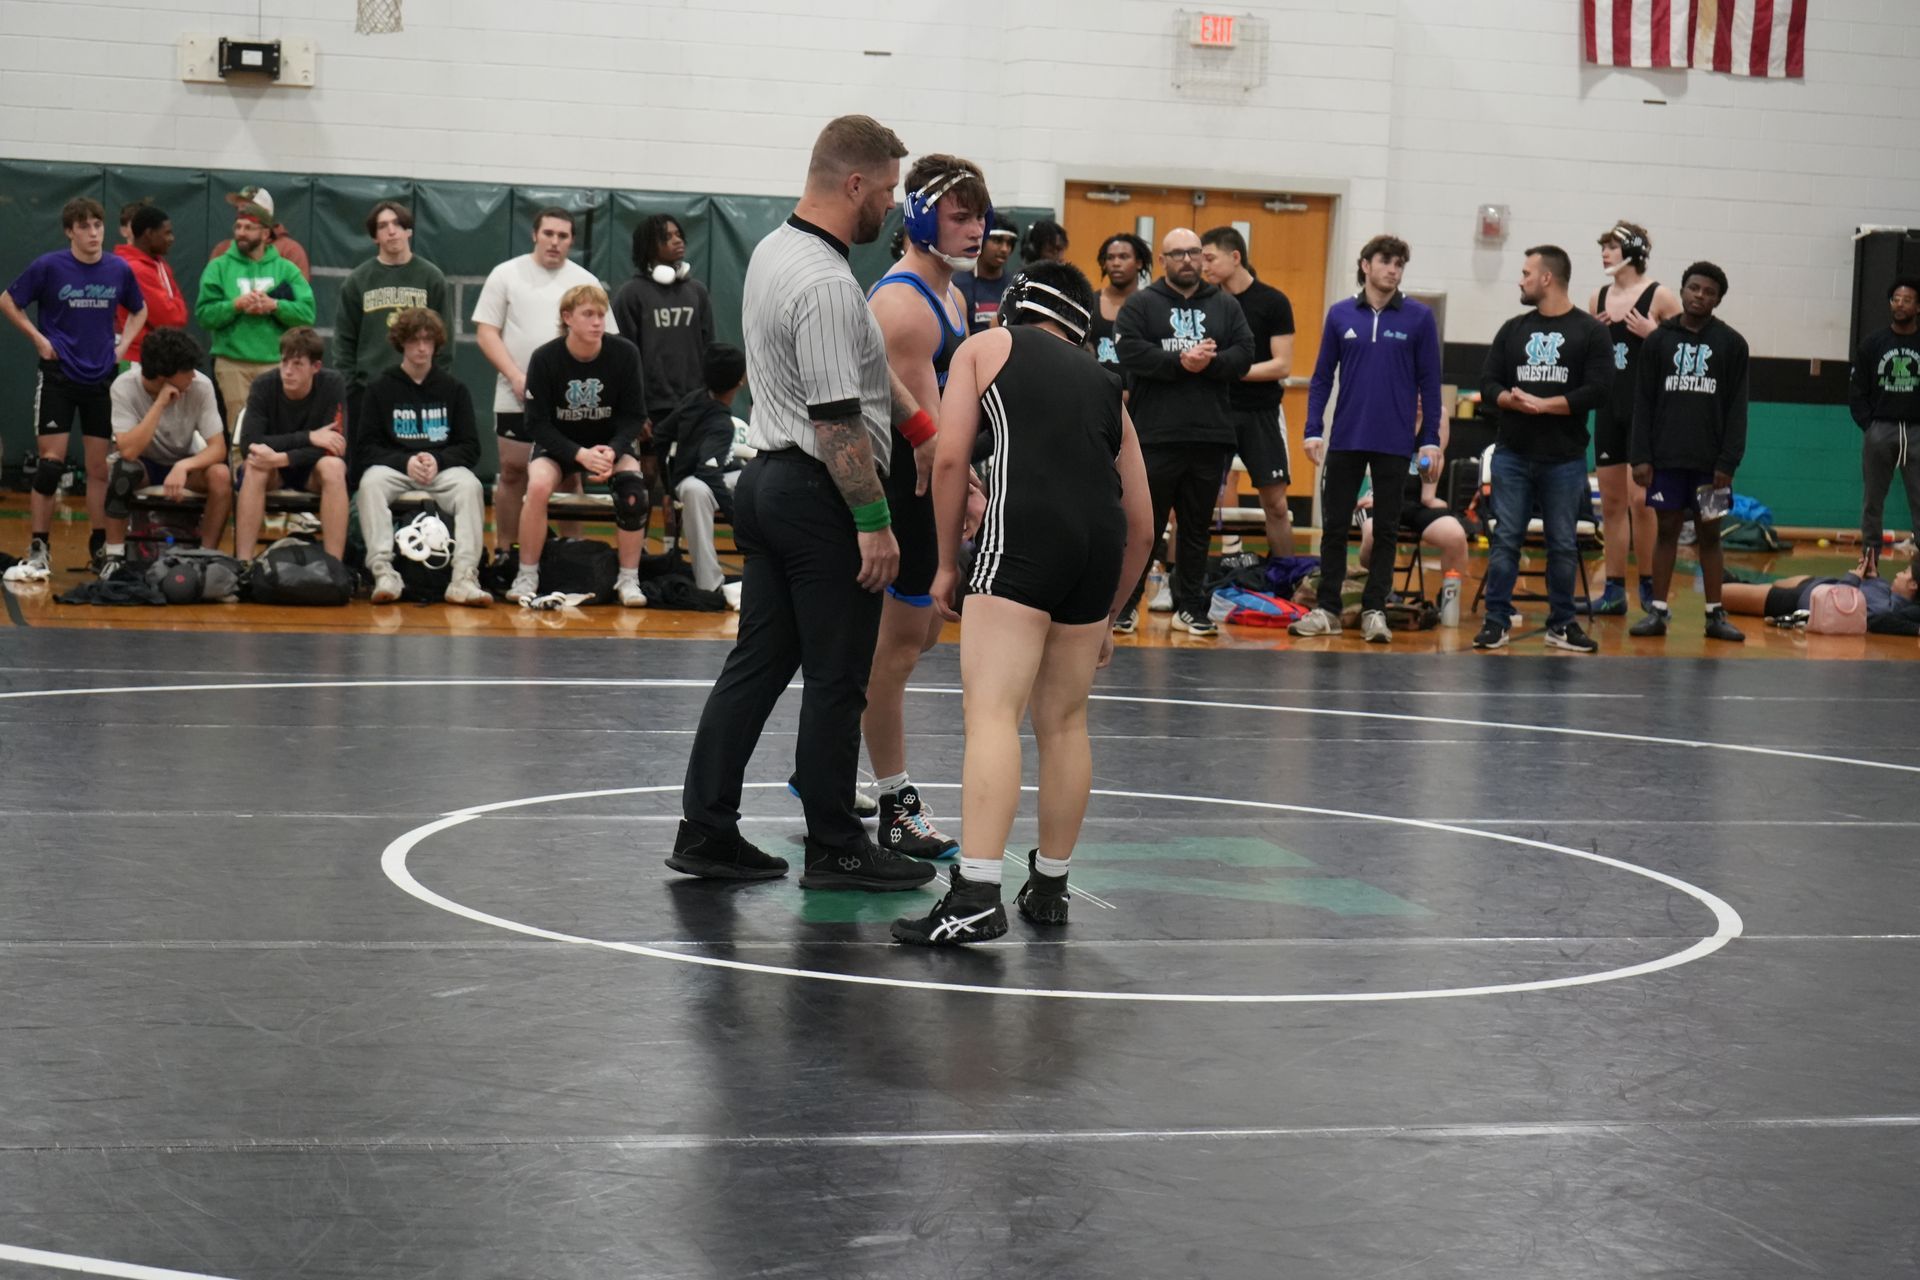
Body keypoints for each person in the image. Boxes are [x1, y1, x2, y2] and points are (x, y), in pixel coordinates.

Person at [669, 113, 936, 896]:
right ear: (853, 184)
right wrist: (874, 522)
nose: (889, 207)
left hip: (771, 485)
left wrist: (919, 428)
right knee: (838, 677)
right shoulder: (825, 283)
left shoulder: (775, 251)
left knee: (756, 667)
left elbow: (860, 370)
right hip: (819, 495)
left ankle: (706, 829)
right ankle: (837, 846)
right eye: (885, 191)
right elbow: (837, 418)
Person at [893, 263, 1153, 945]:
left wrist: (945, 563)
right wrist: (1110, 614)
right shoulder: (1108, 384)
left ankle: (977, 893)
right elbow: (1143, 523)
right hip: (1097, 550)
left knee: (992, 714)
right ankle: (1051, 884)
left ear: (1013, 306)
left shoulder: (987, 347)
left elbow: (952, 460)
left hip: (1024, 534)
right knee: (1064, 722)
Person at [861, 154, 992, 860]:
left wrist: (969, 480)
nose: (976, 231)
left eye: (979, 217)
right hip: (902, 489)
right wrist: (966, 492)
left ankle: (828, 766)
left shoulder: (950, 296)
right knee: (898, 650)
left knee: (913, 640)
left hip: (922, 484)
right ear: (917, 219)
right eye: (960, 217)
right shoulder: (907, 307)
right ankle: (894, 803)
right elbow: (929, 438)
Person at [1290, 234, 1442, 644]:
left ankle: (1376, 609)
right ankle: (1328, 609)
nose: (1393, 269)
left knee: (1387, 529)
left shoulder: (1419, 318)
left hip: (1395, 442)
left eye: (1399, 264)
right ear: (1365, 265)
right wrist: (1313, 428)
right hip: (1346, 437)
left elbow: (1431, 383)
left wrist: (1430, 440)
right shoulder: (1340, 314)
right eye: (1385, 261)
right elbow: (1322, 377)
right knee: (1335, 527)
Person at [1111, 228, 1254, 638]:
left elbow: (1245, 354)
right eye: (1178, 253)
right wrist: (1180, 362)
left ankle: (1191, 607)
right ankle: (1124, 606)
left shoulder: (1225, 305)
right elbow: (1129, 350)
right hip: (1155, 434)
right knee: (1144, 527)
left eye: (1194, 252)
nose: (1188, 260)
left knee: (1196, 529)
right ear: (1162, 260)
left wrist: (1208, 363)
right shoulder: (1142, 304)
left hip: (1210, 435)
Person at [1475, 245, 1614, 653]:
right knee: (1506, 539)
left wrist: (1545, 404)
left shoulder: (1590, 331)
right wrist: (1511, 401)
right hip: (1513, 454)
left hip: (1564, 458)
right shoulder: (1513, 329)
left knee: (1563, 544)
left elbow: (1599, 390)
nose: (1520, 280)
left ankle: (1562, 624)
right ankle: (1496, 621)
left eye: (1526, 273)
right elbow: (1488, 383)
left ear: (1547, 278)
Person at [0, 196, 147, 579]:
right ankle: (39, 547)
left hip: (100, 378)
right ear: (70, 231)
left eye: (98, 225)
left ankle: (99, 546)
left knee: (99, 469)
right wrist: (38, 339)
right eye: (84, 227)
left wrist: (121, 348)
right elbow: (8, 301)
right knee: (50, 466)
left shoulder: (118, 269)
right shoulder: (49, 266)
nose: (93, 233)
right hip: (59, 376)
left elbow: (140, 309)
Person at [474, 207, 616, 567]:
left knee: (569, 475)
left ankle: (572, 553)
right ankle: (505, 552)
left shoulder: (585, 281)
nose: (555, 241)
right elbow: (487, 332)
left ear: (571, 240)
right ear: (535, 234)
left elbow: (608, 338)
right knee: (512, 471)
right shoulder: (506, 274)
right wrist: (516, 377)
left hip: (573, 400)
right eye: (548, 233)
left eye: (563, 235)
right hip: (515, 392)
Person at [1628, 261, 1749, 643]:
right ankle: (1657, 611)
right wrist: (1641, 456)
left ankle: (1714, 615)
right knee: (1666, 530)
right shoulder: (1658, 341)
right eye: (1694, 288)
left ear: (1718, 300)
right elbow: (1643, 402)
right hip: (1666, 459)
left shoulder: (1731, 344)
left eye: (1709, 292)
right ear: (1682, 290)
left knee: (1709, 533)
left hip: (1711, 466)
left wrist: (1728, 462)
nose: (1700, 296)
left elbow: (1737, 409)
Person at [509, 284, 651, 608]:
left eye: (601, 314)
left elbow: (634, 416)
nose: (597, 322)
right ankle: (527, 574)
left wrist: (613, 450)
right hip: (561, 446)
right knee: (538, 487)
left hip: (608, 447)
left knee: (634, 491)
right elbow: (536, 424)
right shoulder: (545, 358)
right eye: (588, 314)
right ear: (567, 317)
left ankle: (629, 579)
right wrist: (579, 455)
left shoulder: (625, 353)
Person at [351, 308, 491, 608]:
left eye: (428, 340)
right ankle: (384, 573)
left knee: (470, 486)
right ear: (401, 343)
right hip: (397, 469)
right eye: (414, 340)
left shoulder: (454, 389)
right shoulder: (380, 388)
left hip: (440, 470)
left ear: (436, 344)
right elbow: (365, 448)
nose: (422, 348)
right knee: (370, 484)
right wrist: (404, 463)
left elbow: (470, 447)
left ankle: (463, 577)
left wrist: (438, 460)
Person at [1587, 221, 1680, 615]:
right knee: (1612, 502)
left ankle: (1649, 584)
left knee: (1642, 501)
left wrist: (1654, 333)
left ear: (1633, 251)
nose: (1604, 253)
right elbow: (1591, 357)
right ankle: (1613, 589)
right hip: (1610, 408)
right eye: (1603, 246)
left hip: (1648, 411)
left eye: (1611, 246)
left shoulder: (1661, 296)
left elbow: (1685, 353)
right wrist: (1591, 335)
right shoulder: (1598, 298)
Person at [1201, 225, 1296, 556]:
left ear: (1235, 257)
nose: (1204, 266)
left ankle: (1285, 575)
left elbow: (1281, 365)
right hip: (1216, 411)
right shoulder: (1205, 303)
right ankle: (1184, 580)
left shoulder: (1273, 302)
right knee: (1196, 501)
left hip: (1261, 413)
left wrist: (1231, 369)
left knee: (1276, 505)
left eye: (1210, 258)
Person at [103, 327, 231, 568]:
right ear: (164, 376)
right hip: (145, 465)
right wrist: (159, 404)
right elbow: (128, 451)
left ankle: (206, 556)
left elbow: (218, 449)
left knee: (221, 475)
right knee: (123, 471)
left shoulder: (201, 386)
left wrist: (183, 466)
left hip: (186, 465)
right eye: (187, 370)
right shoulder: (124, 387)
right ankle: (114, 557)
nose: (193, 375)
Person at [196, 189, 316, 431]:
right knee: (240, 431)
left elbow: (306, 314)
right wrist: (235, 305)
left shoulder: (287, 268)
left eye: (249, 228)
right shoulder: (219, 266)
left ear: (265, 233)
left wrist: (275, 306)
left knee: (277, 429)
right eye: (238, 226)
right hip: (232, 363)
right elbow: (204, 315)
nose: (241, 232)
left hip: (276, 362)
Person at [330, 200, 452, 427]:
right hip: (368, 390)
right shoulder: (357, 281)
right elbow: (344, 341)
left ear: (409, 231)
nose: (391, 231)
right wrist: (351, 388)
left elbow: (445, 340)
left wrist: (434, 383)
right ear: (374, 237)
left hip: (420, 388)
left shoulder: (432, 278)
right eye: (383, 226)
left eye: (397, 224)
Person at [234, 327, 349, 561]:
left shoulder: (332, 384)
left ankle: (334, 566)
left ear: (316, 367)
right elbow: (250, 443)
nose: (288, 371)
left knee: (334, 467)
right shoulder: (264, 385)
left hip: (309, 470)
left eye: (297, 364)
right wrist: (308, 437)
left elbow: (334, 447)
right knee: (254, 465)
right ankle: (243, 564)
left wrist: (281, 458)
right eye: (284, 362)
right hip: (272, 471)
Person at [656, 343, 748, 597]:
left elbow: (660, 434)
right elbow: (707, 473)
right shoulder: (719, 423)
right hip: (692, 480)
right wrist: (737, 521)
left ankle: (768, 570)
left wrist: (667, 485)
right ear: (740, 382)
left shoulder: (695, 398)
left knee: (756, 479)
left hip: (720, 475)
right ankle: (709, 584)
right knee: (695, 491)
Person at [1850, 278, 1920, 568]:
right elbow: (1857, 389)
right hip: (1881, 429)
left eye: (1907, 300)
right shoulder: (1873, 343)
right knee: (1873, 501)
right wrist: (1870, 426)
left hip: (1916, 431)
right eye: (1896, 299)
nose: (1900, 304)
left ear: (1918, 307)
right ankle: (1870, 563)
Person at [1724, 556, 1920, 632]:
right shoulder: (1887, 591)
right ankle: (1734, 582)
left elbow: (1840, 608)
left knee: (1721, 594)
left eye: (1904, 573)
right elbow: (1873, 592)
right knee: (1748, 586)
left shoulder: (1886, 610)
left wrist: (1852, 579)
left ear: (1913, 585)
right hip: (1814, 583)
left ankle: (1725, 583)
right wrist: (1872, 576)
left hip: (1799, 600)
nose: (1898, 574)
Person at [114, 205, 187, 367]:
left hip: (155, 357)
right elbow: (169, 319)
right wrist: (176, 307)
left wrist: (175, 308)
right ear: (149, 234)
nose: (171, 238)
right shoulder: (136, 269)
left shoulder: (160, 265)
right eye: (167, 233)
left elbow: (179, 316)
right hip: (136, 358)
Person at [207, 187, 311, 280]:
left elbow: (298, 291)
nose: (241, 212)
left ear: (266, 213)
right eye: (238, 208)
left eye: (248, 208)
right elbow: (211, 291)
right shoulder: (223, 250)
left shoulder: (290, 250)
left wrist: (266, 296)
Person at [1090, 232, 1152, 375]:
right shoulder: (1090, 303)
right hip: (1096, 385)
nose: (1116, 263)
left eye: (1123, 257)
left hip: (1137, 387)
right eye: (1110, 258)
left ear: (1138, 263)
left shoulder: (1151, 305)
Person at [952, 214, 1018, 333]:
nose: (1004, 249)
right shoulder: (958, 285)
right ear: (981, 241)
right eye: (997, 241)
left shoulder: (1015, 286)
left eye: (1009, 243)